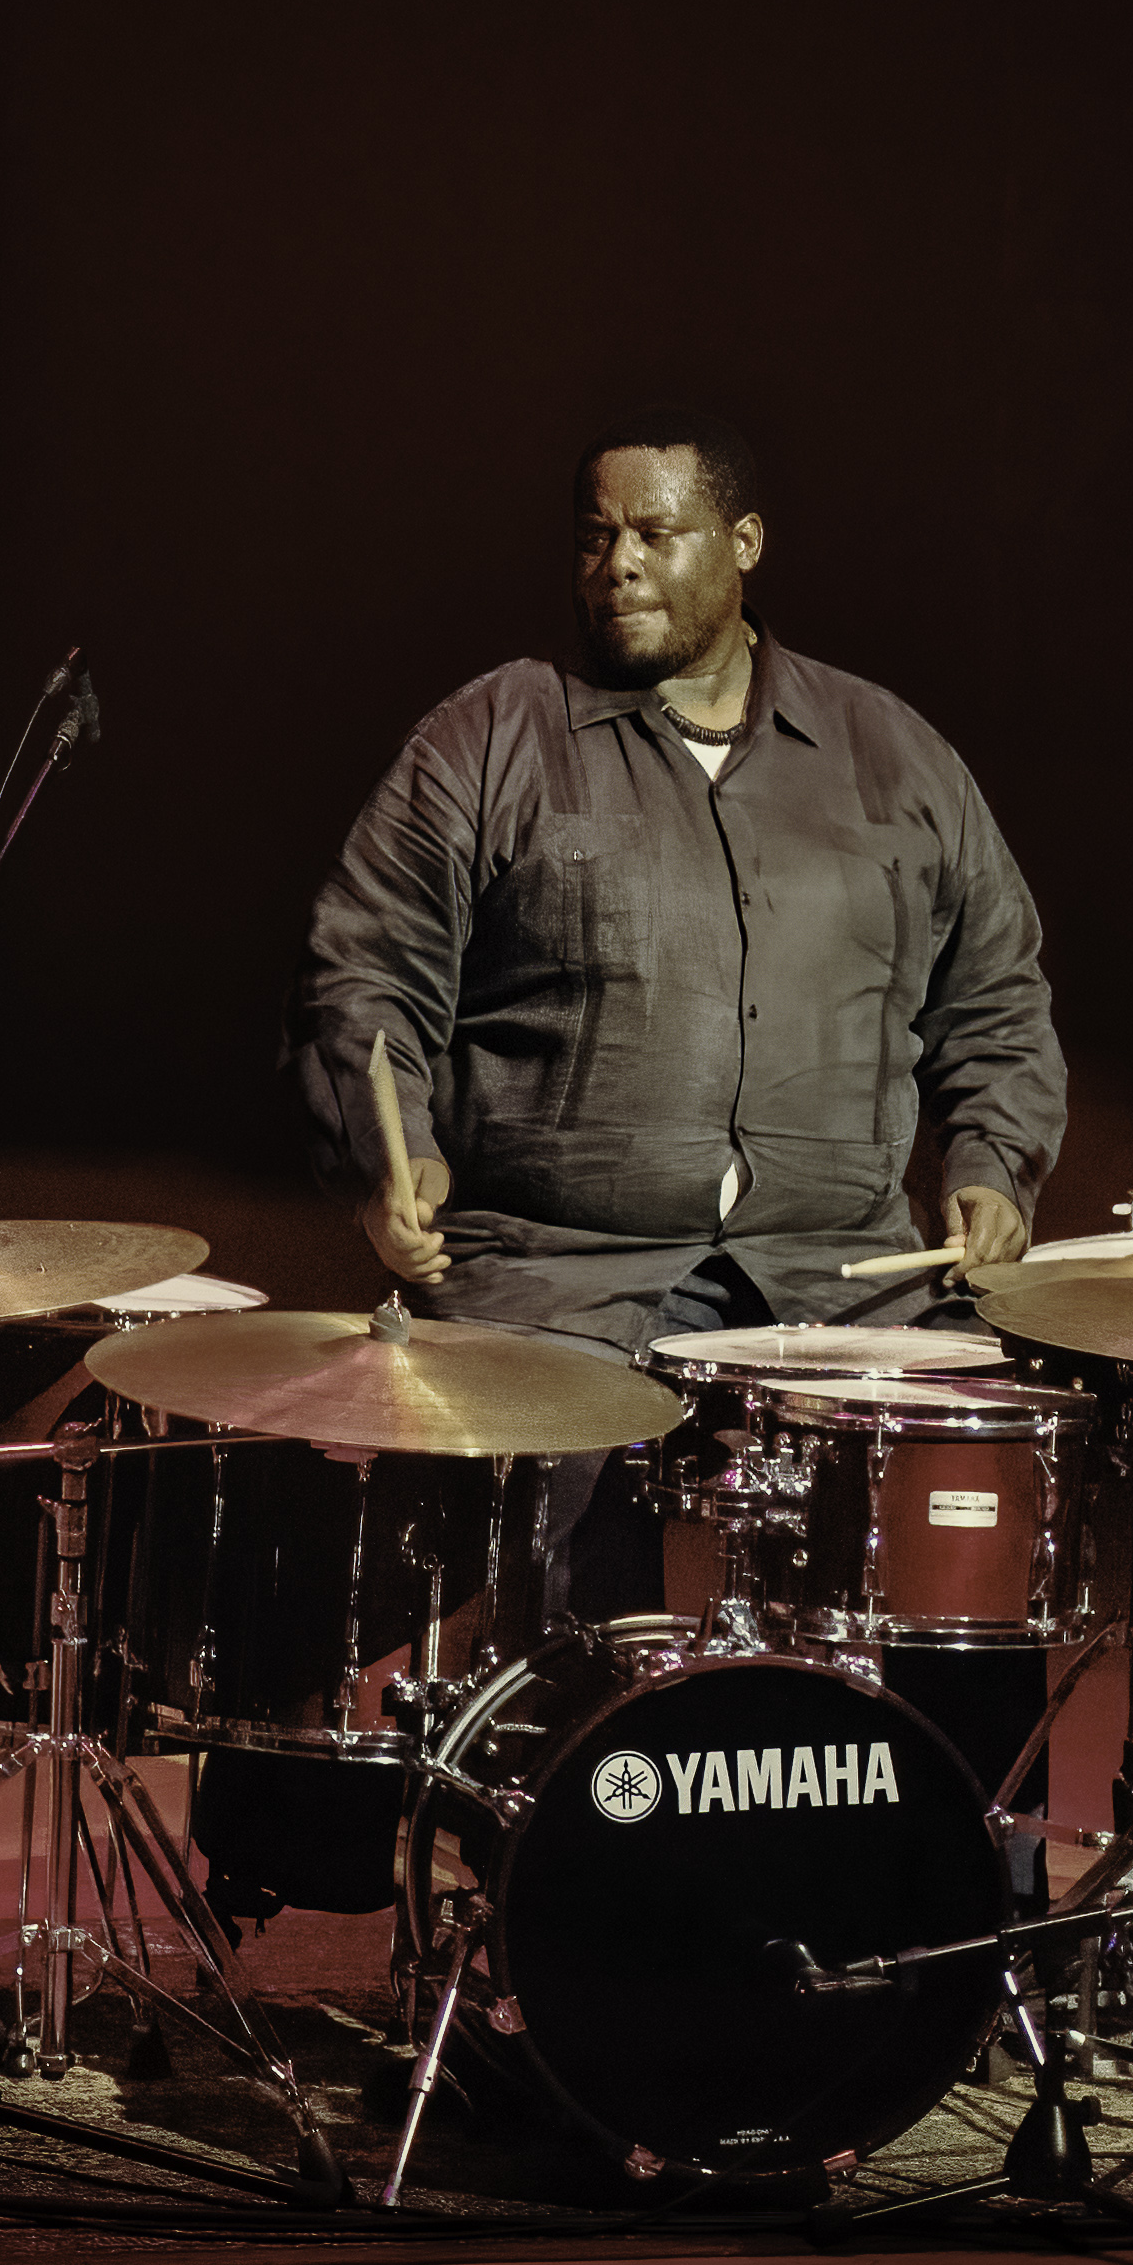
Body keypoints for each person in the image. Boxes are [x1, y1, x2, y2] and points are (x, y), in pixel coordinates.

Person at [286, 416, 1070, 1819]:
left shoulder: (891, 756)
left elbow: (997, 988)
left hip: (840, 1271)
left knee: (976, 1460)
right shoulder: (493, 735)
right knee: (566, 1474)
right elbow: (368, 973)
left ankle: (956, 1871)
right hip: (558, 1266)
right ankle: (582, 1877)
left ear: (745, 546)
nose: (618, 566)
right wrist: (382, 1151)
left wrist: (996, 1163)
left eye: (656, 534)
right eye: (596, 537)